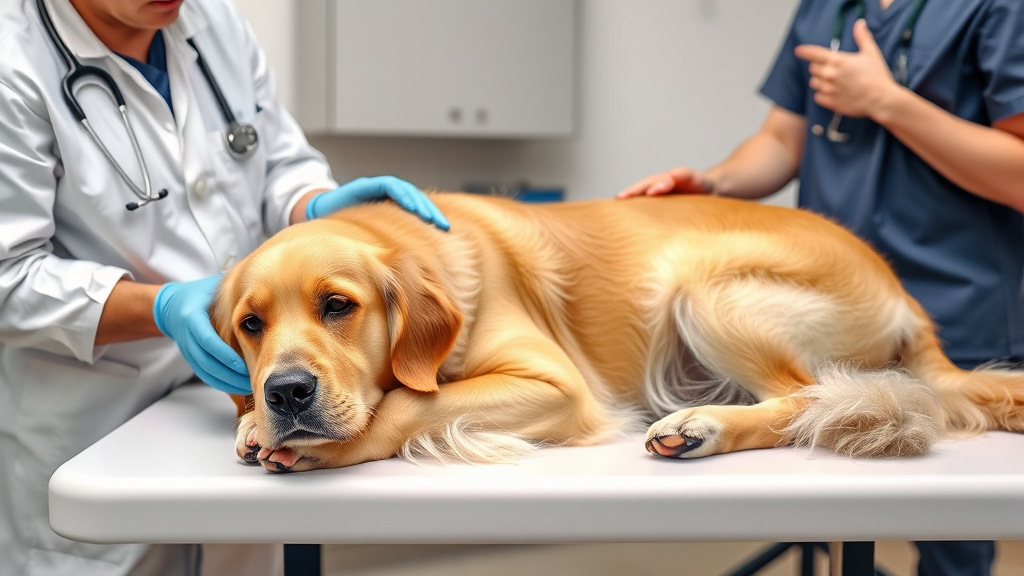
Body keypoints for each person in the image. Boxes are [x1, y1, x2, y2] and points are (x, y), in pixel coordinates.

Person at [0, 0, 448, 574]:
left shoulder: (212, 21)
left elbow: (277, 163)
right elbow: (10, 277)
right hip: (93, 422)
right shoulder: (16, 62)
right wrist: (160, 307)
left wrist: (314, 204)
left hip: (236, 410)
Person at [619, 1, 1024, 576]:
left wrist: (885, 101)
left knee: (949, 533)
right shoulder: (826, 7)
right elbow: (782, 140)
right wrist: (713, 183)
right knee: (825, 487)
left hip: (956, 299)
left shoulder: (998, 9)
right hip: (826, 307)